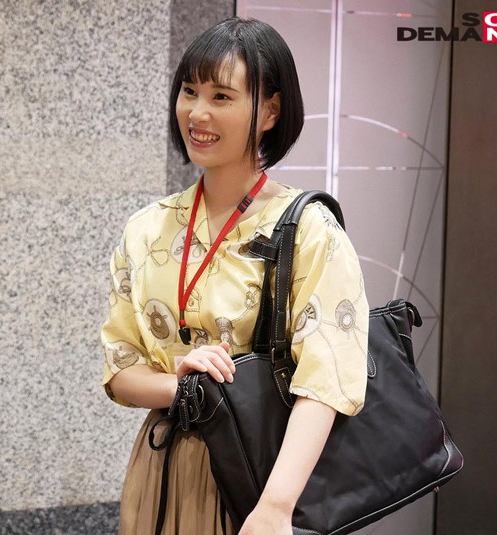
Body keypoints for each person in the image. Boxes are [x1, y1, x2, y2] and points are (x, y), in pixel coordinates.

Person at [100, 17, 369, 535]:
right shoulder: (146, 228)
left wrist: (276, 508)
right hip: (160, 470)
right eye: (189, 91)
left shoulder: (309, 229)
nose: (197, 112)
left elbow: (328, 380)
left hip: (261, 479)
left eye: (221, 96)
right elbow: (119, 370)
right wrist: (179, 384)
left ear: (270, 111)